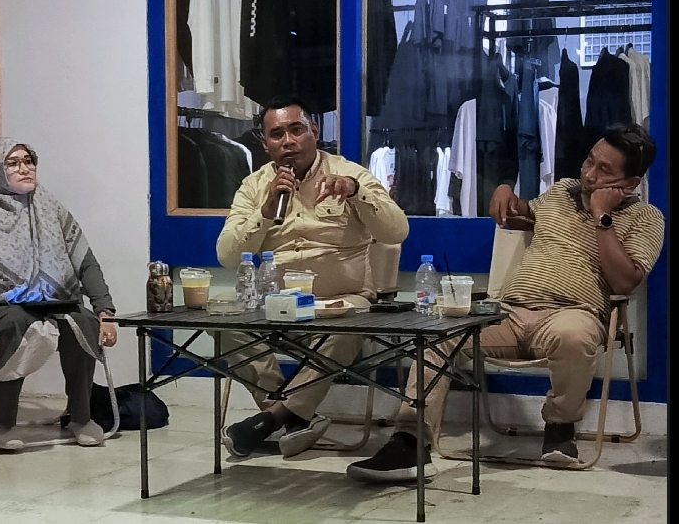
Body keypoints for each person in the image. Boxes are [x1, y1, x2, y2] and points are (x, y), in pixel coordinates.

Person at [347, 122, 664, 482]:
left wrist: (601, 217)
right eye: (589, 161)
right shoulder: (562, 192)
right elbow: (520, 213)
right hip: (509, 314)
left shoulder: (646, 218)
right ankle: (409, 441)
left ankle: (560, 428)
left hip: (572, 314)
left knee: (573, 335)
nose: (589, 174)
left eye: (604, 170)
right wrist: (503, 190)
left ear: (630, 184)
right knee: (438, 335)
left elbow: (626, 281)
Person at [216, 95, 409, 458]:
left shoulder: (349, 173)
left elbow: (397, 231)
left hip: (342, 304)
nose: (288, 142)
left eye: (296, 130)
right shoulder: (255, 186)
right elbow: (226, 256)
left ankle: (272, 417)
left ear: (314, 132)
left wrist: (356, 192)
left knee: (350, 325)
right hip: (277, 306)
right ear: (265, 143)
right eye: (277, 134)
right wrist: (266, 211)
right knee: (226, 323)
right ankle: (293, 415)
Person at [0, 138, 118, 451]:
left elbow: (85, 262)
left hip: (58, 301)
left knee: (83, 321)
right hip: (3, 304)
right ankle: (0, 423)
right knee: (14, 324)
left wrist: (104, 310)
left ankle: (80, 417)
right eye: (12, 163)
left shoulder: (53, 209)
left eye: (28, 161)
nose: (24, 168)